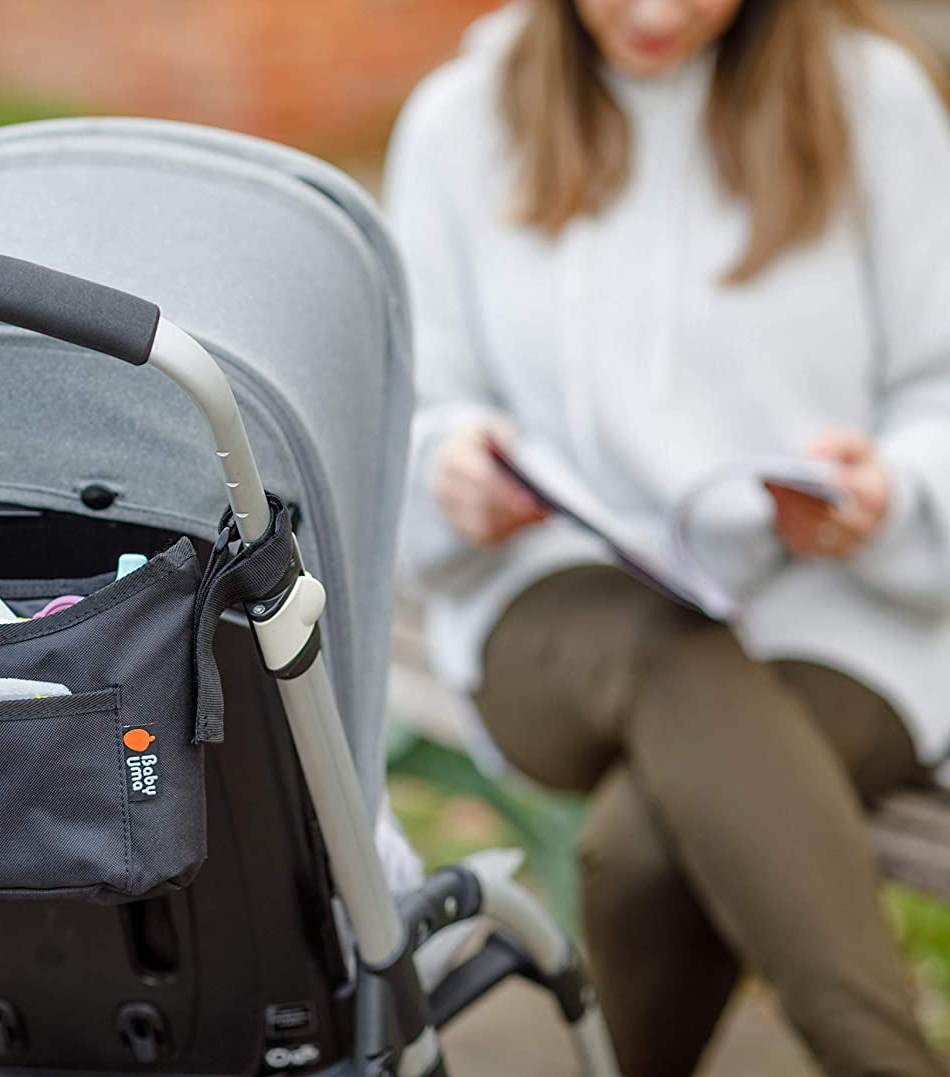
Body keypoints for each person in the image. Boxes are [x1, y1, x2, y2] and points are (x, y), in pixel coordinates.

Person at [385, 0, 950, 1073]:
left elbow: (940, 387)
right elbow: (418, 396)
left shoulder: (874, 102)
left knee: (646, 850)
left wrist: (893, 493)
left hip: (838, 607)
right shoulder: (463, 120)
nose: (651, 11)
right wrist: (452, 465)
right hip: (559, 596)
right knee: (666, 645)